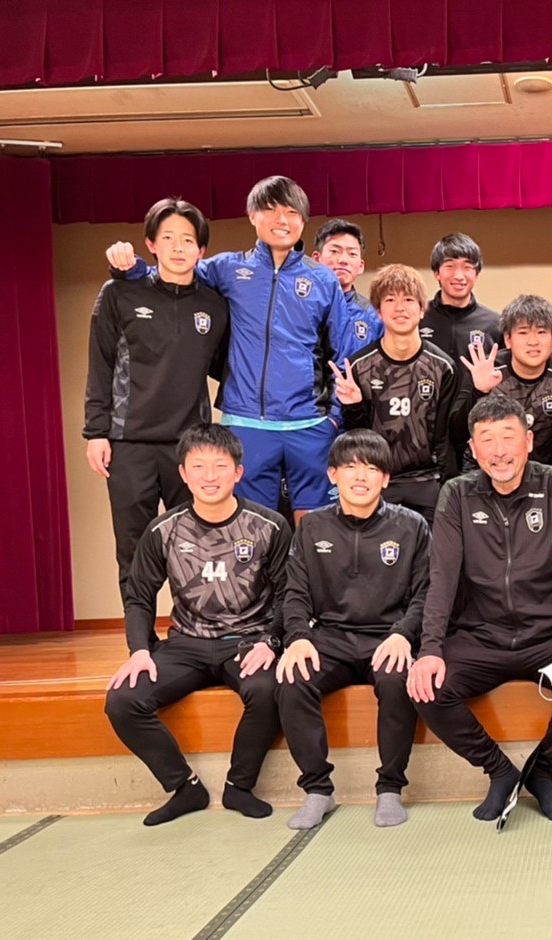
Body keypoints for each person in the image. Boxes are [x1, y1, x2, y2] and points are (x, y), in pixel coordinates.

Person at [408, 394, 552, 822]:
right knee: (426, 687)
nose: (499, 451)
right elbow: (441, 577)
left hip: (548, 634)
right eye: (487, 440)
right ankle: (499, 771)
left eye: (508, 437)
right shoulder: (456, 493)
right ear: (473, 448)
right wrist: (429, 649)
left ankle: (542, 770)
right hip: (481, 636)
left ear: (529, 441)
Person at [106, 176, 350, 517]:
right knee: (256, 525)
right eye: (271, 210)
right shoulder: (227, 268)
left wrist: (334, 418)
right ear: (252, 215)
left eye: (292, 212)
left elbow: (344, 354)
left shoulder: (323, 279)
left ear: (304, 219)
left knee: (314, 527)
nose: (282, 220)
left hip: (309, 423)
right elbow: (174, 272)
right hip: (246, 422)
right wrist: (129, 268)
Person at [103, 424, 290, 826]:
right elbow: (138, 596)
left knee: (269, 690)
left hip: (249, 641)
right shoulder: (163, 530)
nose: (209, 476)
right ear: (183, 474)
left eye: (220, 466)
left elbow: (289, 595)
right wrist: (140, 650)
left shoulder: (270, 526)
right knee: (122, 701)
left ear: (238, 472)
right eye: (198, 466)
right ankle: (184, 786)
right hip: (186, 644)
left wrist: (272, 642)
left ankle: (240, 786)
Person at [274, 430, 430, 830]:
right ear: (332, 474)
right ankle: (318, 790)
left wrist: (403, 633)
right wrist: (297, 638)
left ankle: (390, 788)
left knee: (398, 681)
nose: (361, 477)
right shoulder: (312, 527)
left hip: (388, 637)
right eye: (350, 467)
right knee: (292, 678)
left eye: (372, 468)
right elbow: (295, 593)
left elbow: (426, 592)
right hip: (330, 638)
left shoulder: (412, 526)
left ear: (386, 478)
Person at [85, 197, 229, 595]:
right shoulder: (119, 294)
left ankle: (193, 630)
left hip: (191, 445)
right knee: (134, 553)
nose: (178, 247)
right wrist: (96, 433)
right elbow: (100, 365)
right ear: (151, 243)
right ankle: (139, 632)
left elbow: (227, 368)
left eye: (188, 240)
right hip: (129, 443)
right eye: (168, 237)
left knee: (197, 550)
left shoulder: (214, 305)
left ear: (202, 250)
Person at [335, 264, 462, 524]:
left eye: (408, 300)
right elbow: (358, 436)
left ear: (422, 309)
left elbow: (447, 437)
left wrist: (447, 485)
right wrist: (353, 406)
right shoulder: (359, 366)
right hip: (379, 481)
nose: (400, 308)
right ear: (378, 311)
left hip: (429, 481)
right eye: (390, 300)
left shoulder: (443, 367)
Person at [458, 293, 552, 476]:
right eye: (523, 332)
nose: (533, 341)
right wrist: (479, 392)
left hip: (543, 474)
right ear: (508, 339)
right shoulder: (485, 369)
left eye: (541, 332)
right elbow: (457, 432)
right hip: (485, 473)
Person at [420, 232, 503, 368]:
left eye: (467, 267)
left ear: (476, 275)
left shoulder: (496, 324)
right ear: (437, 273)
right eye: (450, 266)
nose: (459, 276)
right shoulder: (419, 318)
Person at [311, 218, 382, 360]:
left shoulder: (373, 316)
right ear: (316, 259)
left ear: (361, 266)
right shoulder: (298, 305)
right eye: (334, 251)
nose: (343, 260)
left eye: (352, 254)